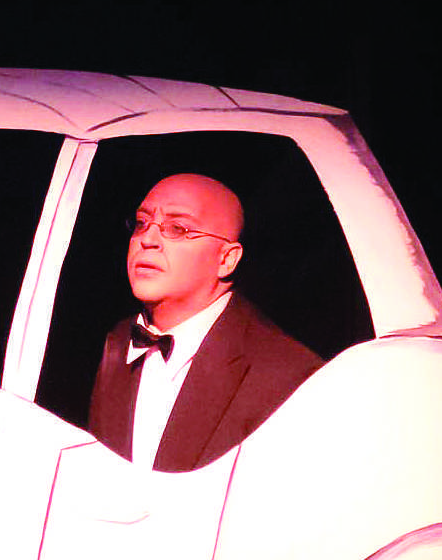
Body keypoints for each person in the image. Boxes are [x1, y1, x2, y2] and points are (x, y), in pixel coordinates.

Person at [87, 173, 322, 471]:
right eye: (142, 223)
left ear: (226, 259)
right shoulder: (119, 340)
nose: (147, 239)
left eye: (177, 228)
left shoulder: (289, 374)